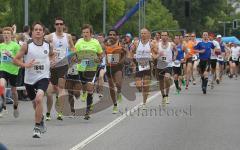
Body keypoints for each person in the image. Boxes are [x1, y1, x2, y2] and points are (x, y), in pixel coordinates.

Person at [13, 21, 55, 138]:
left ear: (43, 32)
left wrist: (51, 61)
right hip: (29, 79)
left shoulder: (48, 45)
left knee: (39, 99)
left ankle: (37, 127)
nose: (37, 31)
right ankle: (40, 119)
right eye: (35, 29)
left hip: (44, 77)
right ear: (32, 31)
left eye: (40, 30)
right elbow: (15, 60)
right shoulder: (26, 45)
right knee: (34, 103)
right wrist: (26, 65)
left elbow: (52, 55)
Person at [45, 17, 75, 121]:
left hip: (63, 65)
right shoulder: (49, 37)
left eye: (61, 24)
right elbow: (41, 47)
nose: (59, 26)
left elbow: (72, 48)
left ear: (64, 25)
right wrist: (49, 52)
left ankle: (60, 113)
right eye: (57, 24)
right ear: (54, 26)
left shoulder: (68, 36)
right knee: (49, 92)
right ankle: (48, 112)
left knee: (61, 87)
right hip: (52, 66)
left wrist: (72, 55)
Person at [75, 24, 103, 120]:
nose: (85, 34)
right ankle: (85, 92)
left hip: (91, 68)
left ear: (91, 33)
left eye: (87, 32)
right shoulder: (79, 42)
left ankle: (87, 111)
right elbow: (74, 54)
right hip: (81, 68)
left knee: (89, 87)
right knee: (84, 87)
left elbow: (100, 54)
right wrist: (76, 58)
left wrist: (98, 60)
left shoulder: (95, 42)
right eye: (83, 32)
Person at [131, 28, 157, 109]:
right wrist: (133, 58)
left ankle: (144, 102)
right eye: (142, 33)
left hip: (147, 64)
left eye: (145, 33)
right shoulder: (136, 43)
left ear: (148, 34)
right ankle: (142, 91)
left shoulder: (151, 44)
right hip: (138, 64)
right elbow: (132, 52)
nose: (143, 35)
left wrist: (153, 57)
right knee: (138, 85)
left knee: (146, 85)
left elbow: (155, 53)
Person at [0, 27, 20, 118]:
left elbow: (19, 60)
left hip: (13, 70)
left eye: (8, 33)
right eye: (5, 33)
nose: (6, 35)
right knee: (2, 86)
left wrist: (11, 55)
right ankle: (4, 107)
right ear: (2, 35)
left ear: (11, 35)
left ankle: (15, 107)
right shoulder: (1, 46)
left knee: (14, 91)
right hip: (3, 69)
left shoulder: (15, 46)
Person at [104, 29, 126, 113]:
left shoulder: (120, 45)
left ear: (117, 36)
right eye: (110, 34)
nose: (112, 36)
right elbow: (102, 53)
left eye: (114, 34)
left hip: (118, 67)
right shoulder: (106, 44)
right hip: (109, 67)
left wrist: (121, 61)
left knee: (118, 83)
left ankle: (119, 91)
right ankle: (115, 105)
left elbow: (125, 54)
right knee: (111, 87)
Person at [154, 31, 177, 104]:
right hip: (160, 65)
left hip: (168, 65)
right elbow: (154, 55)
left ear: (167, 36)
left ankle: (167, 95)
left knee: (167, 78)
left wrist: (174, 56)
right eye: (162, 35)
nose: (164, 36)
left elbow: (176, 51)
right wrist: (157, 56)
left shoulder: (172, 44)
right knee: (161, 83)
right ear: (161, 37)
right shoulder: (157, 45)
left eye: (165, 35)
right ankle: (163, 96)